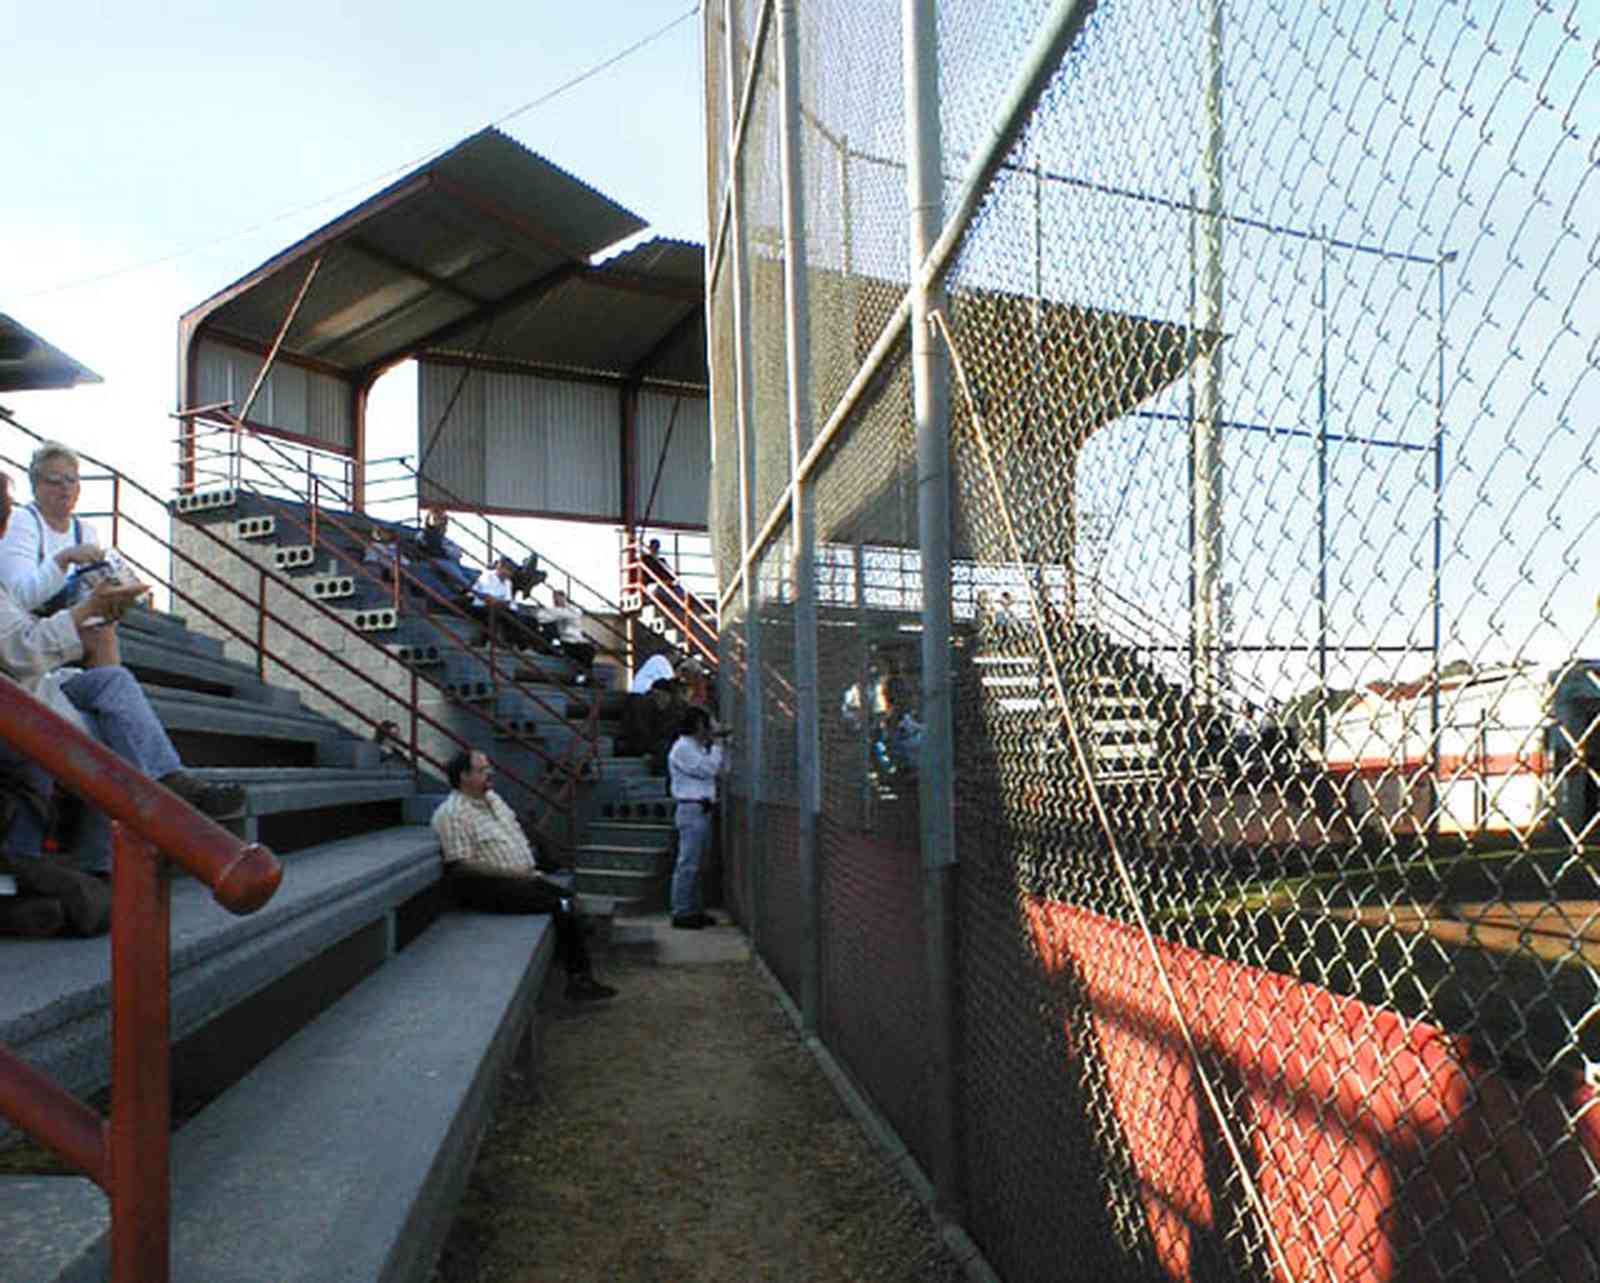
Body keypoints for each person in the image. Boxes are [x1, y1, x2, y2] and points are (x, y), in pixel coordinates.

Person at [0, 472, 247, 881]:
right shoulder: (17, 550)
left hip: (39, 683)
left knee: (115, 683)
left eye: (71, 481)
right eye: (54, 481)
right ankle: (107, 857)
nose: (10, 511)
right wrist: (82, 611)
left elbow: (22, 633)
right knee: (113, 737)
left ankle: (170, 779)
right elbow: (21, 650)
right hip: (19, 703)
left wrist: (92, 612)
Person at [430, 749, 616, 1001]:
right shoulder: (451, 813)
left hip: (523, 878)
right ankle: (578, 980)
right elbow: (462, 865)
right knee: (560, 907)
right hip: (488, 886)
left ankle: (577, 970)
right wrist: (513, 874)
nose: (490, 773)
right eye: (482, 770)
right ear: (464, 776)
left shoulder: (493, 799)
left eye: (488, 768)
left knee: (570, 901)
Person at [0, 441, 106, 612]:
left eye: (71, 480)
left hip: (68, 625)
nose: (64, 487)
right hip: (24, 627)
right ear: (36, 487)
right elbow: (19, 599)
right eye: (54, 480)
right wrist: (64, 559)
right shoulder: (20, 522)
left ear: (78, 488)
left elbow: (87, 599)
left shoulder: (86, 532)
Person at [666, 706, 729, 930]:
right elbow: (709, 770)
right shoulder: (683, 747)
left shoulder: (698, 747)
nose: (712, 728)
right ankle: (681, 911)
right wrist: (719, 746)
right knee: (688, 863)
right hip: (691, 808)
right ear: (698, 725)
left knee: (700, 863)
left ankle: (695, 908)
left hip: (702, 808)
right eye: (708, 723)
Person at [528, 589, 596, 677]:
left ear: (564, 598)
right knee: (587, 652)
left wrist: (540, 613)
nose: (555, 602)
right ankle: (584, 675)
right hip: (567, 641)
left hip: (573, 641)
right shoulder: (559, 611)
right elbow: (543, 617)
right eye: (554, 599)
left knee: (588, 651)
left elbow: (545, 616)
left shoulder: (571, 610)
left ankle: (584, 675)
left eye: (557, 599)